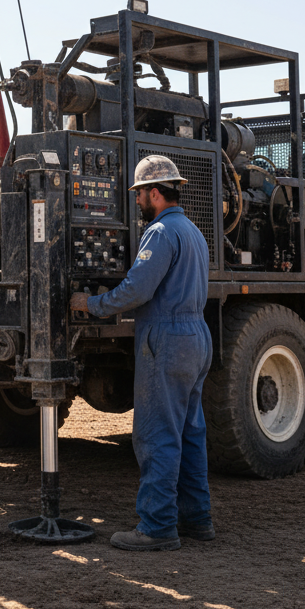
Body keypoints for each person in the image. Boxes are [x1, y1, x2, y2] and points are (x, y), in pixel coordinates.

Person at [69, 154, 214, 551]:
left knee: (157, 435)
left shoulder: (161, 233)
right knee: (190, 434)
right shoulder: (193, 232)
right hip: (197, 335)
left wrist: (92, 304)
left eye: (139, 195)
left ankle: (157, 527)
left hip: (167, 339)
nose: (137, 202)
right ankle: (197, 520)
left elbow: (137, 290)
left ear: (154, 192)